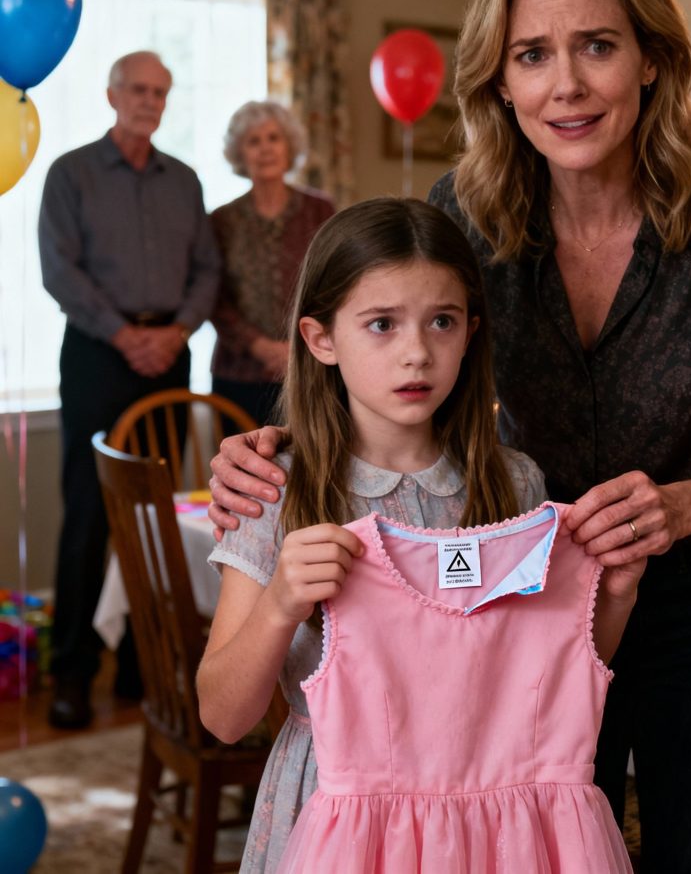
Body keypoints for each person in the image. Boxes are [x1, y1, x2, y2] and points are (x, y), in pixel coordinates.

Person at [209, 0, 691, 873]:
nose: (564, 85)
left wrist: (675, 510)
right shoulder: (464, 211)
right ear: (499, 77)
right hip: (508, 614)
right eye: (533, 54)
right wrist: (276, 446)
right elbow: (385, 343)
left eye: (597, 46)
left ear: (652, 60)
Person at [197, 197, 641, 873]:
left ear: (470, 332)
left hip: (493, 829)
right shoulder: (273, 491)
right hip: (338, 819)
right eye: (382, 324)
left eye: (442, 321)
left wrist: (616, 596)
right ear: (320, 339)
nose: (417, 353)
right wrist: (280, 601)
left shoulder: (515, 483)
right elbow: (224, 717)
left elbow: (550, 678)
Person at [38, 50, 220, 729]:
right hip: (96, 355)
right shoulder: (71, 172)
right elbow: (60, 270)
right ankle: (72, 673)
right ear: (112, 95)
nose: (149, 101)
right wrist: (123, 335)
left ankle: (142, 666)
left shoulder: (185, 181)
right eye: (138, 90)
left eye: (160, 92)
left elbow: (207, 270)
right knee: (89, 517)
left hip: (169, 354)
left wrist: (177, 332)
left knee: (155, 515)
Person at [211, 101, 334, 426]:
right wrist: (259, 346)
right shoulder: (221, 220)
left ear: (289, 146)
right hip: (238, 373)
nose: (265, 148)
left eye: (273, 138)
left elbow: (334, 283)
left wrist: (294, 346)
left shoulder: (320, 210)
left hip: (307, 365)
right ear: (239, 153)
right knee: (240, 458)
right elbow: (213, 296)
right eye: (253, 141)